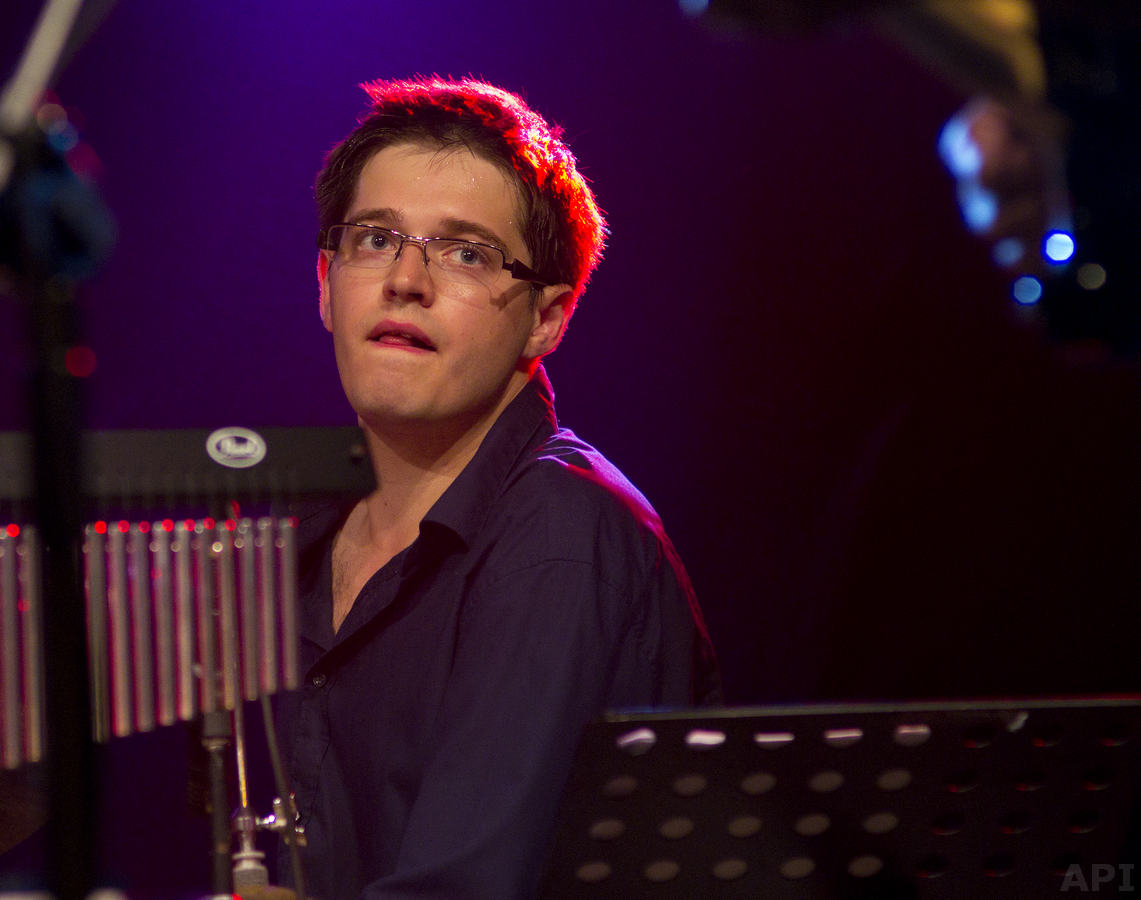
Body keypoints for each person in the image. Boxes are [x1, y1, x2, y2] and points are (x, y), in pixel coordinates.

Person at [276, 76, 721, 899]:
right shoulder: (289, 536)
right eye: (375, 239)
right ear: (325, 281)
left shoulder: (559, 535)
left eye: (466, 253)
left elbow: (466, 889)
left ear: (547, 319)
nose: (405, 280)